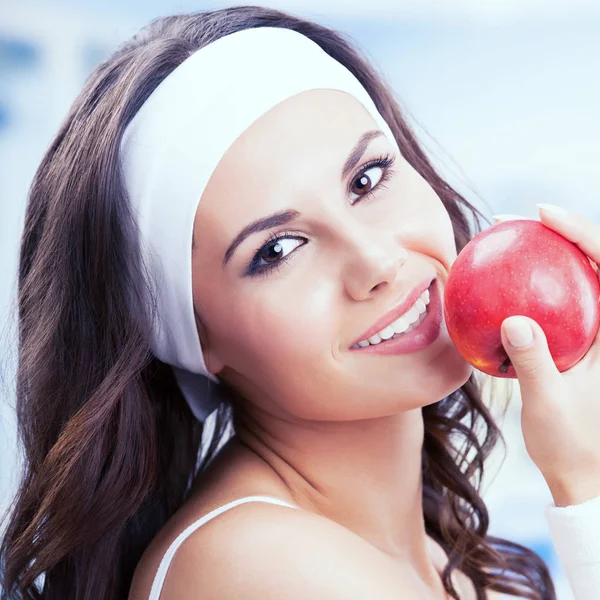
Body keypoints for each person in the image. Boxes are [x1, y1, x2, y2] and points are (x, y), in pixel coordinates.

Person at [1, 6, 599, 600]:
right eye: (279, 250)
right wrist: (586, 485)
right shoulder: (255, 564)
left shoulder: (436, 557)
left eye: (367, 179)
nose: (376, 261)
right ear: (197, 338)